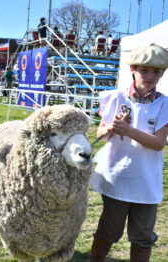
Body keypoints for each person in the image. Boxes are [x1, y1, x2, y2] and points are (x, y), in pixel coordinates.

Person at [89, 43, 168, 262]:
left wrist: (128, 130)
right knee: (108, 231)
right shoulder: (115, 98)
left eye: (157, 71)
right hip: (117, 177)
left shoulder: (165, 105)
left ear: (163, 73)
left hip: (146, 181)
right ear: (132, 68)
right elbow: (102, 135)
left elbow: (158, 144)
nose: (150, 76)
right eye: (145, 69)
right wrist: (109, 129)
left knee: (143, 236)